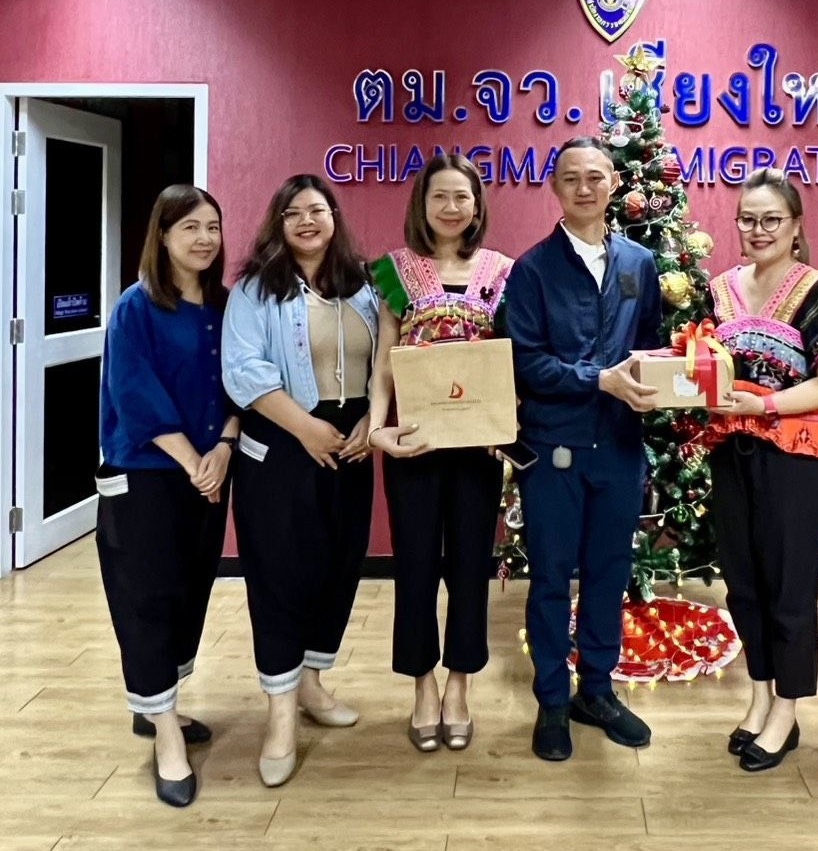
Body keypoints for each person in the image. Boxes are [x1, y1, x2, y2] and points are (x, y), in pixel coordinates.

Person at [505, 137, 662, 762]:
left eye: (596, 176)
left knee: (608, 573)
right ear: (556, 188)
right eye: (571, 178)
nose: (584, 188)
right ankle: (551, 700)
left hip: (619, 447)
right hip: (554, 449)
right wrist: (598, 379)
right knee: (550, 577)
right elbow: (526, 363)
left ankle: (595, 690)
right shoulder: (532, 270)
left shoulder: (640, 264)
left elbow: (647, 343)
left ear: (614, 184)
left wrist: (650, 384)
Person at [704, 168, 818, 772]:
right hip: (731, 453)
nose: (759, 230)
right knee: (743, 583)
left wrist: (761, 405)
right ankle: (758, 697)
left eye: (772, 219)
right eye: (748, 219)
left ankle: (787, 712)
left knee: (789, 588)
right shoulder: (720, 289)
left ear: (796, 226)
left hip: (798, 458)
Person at [222, 174, 378, 787]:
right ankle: (280, 717)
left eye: (317, 210)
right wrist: (306, 428)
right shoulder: (256, 288)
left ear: (335, 216)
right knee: (281, 577)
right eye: (293, 213)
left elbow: (393, 358)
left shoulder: (366, 282)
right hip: (282, 449)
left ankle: (311, 685)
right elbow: (243, 370)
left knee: (338, 567)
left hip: (352, 447)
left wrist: (371, 420)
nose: (307, 222)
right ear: (279, 224)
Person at [96, 185, 238, 807]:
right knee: (147, 598)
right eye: (190, 228)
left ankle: (160, 705)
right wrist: (193, 463)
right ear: (162, 235)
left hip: (210, 469)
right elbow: (135, 394)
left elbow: (242, 382)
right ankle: (166, 736)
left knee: (190, 589)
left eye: (212, 227)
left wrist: (224, 449)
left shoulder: (225, 306)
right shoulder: (136, 307)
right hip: (148, 475)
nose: (204, 239)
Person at [366, 154, 513, 752]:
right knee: (417, 568)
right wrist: (377, 428)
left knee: (471, 569)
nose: (451, 208)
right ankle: (422, 685)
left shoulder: (503, 272)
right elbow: (384, 360)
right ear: (421, 206)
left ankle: (459, 686)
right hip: (415, 445)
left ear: (477, 207)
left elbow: (510, 359)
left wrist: (504, 427)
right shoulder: (393, 271)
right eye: (439, 197)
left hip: (477, 447)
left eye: (462, 197)